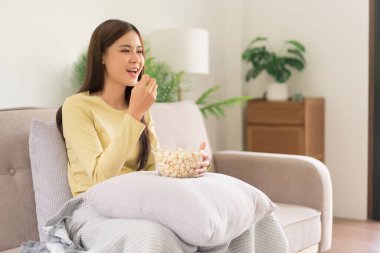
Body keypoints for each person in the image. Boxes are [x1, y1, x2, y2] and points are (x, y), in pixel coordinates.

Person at [56, 19, 210, 197]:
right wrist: (134, 114)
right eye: (125, 50)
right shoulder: (77, 106)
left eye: (140, 51)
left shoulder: (138, 107)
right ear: (101, 56)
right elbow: (100, 178)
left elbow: (154, 166)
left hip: (137, 197)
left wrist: (187, 165)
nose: (136, 59)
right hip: (94, 205)